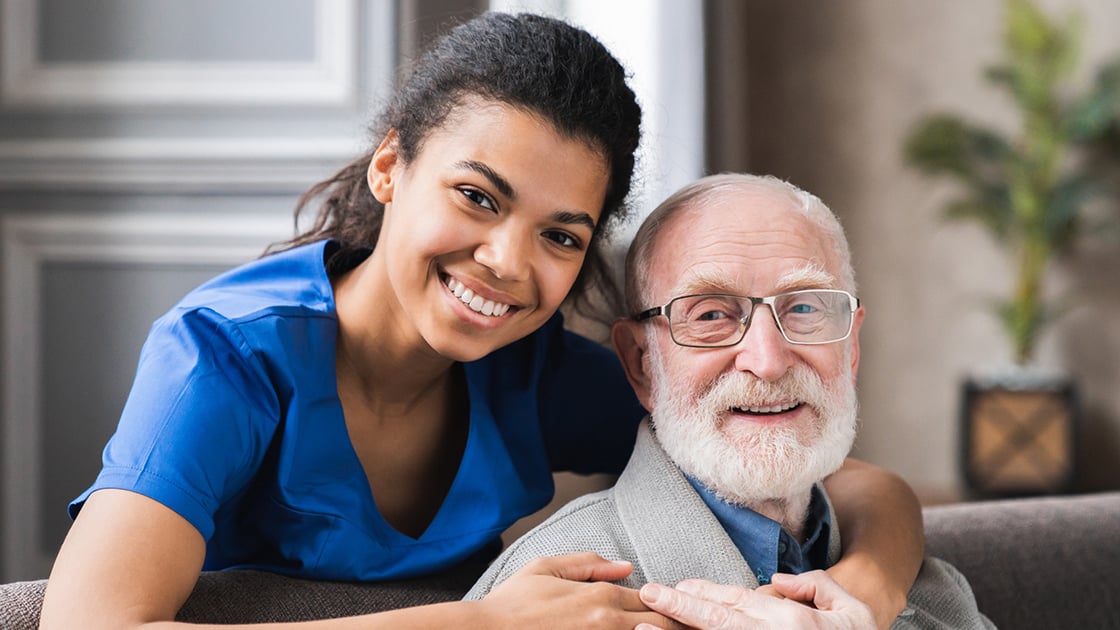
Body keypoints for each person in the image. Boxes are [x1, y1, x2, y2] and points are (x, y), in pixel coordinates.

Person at [39, 13, 923, 629]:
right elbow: (87, 626)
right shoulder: (224, 360)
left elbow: (857, 483)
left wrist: (863, 594)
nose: (506, 261)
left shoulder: (531, 372)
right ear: (391, 167)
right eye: (476, 196)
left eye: (559, 235)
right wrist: (482, 625)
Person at [467, 173, 995, 629]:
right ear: (640, 362)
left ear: (851, 348)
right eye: (711, 315)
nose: (767, 360)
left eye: (806, 308)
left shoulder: (931, 589)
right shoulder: (554, 597)